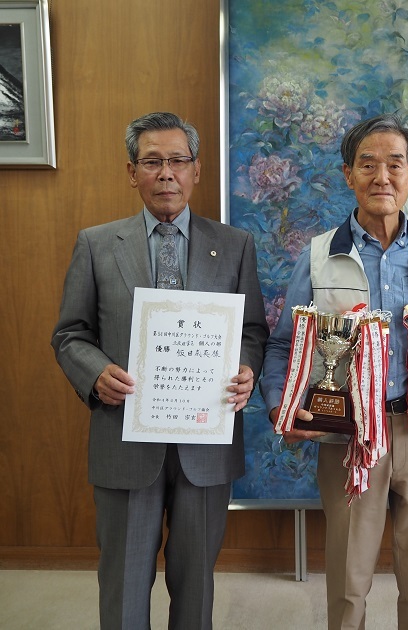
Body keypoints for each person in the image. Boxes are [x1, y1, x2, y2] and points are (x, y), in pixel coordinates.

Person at [260, 113, 408, 630]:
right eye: (368, 164)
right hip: (350, 436)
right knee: (349, 583)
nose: (382, 176)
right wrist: (283, 406)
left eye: (396, 164)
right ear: (348, 174)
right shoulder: (322, 253)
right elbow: (283, 345)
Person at [51, 112, 269, 629]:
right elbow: (70, 334)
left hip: (206, 442)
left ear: (196, 170)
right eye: (152, 161)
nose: (166, 173)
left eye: (177, 160)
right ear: (132, 172)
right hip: (124, 437)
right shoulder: (97, 244)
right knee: (124, 579)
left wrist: (246, 369)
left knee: (196, 582)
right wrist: (96, 372)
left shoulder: (234, 245)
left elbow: (253, 331)